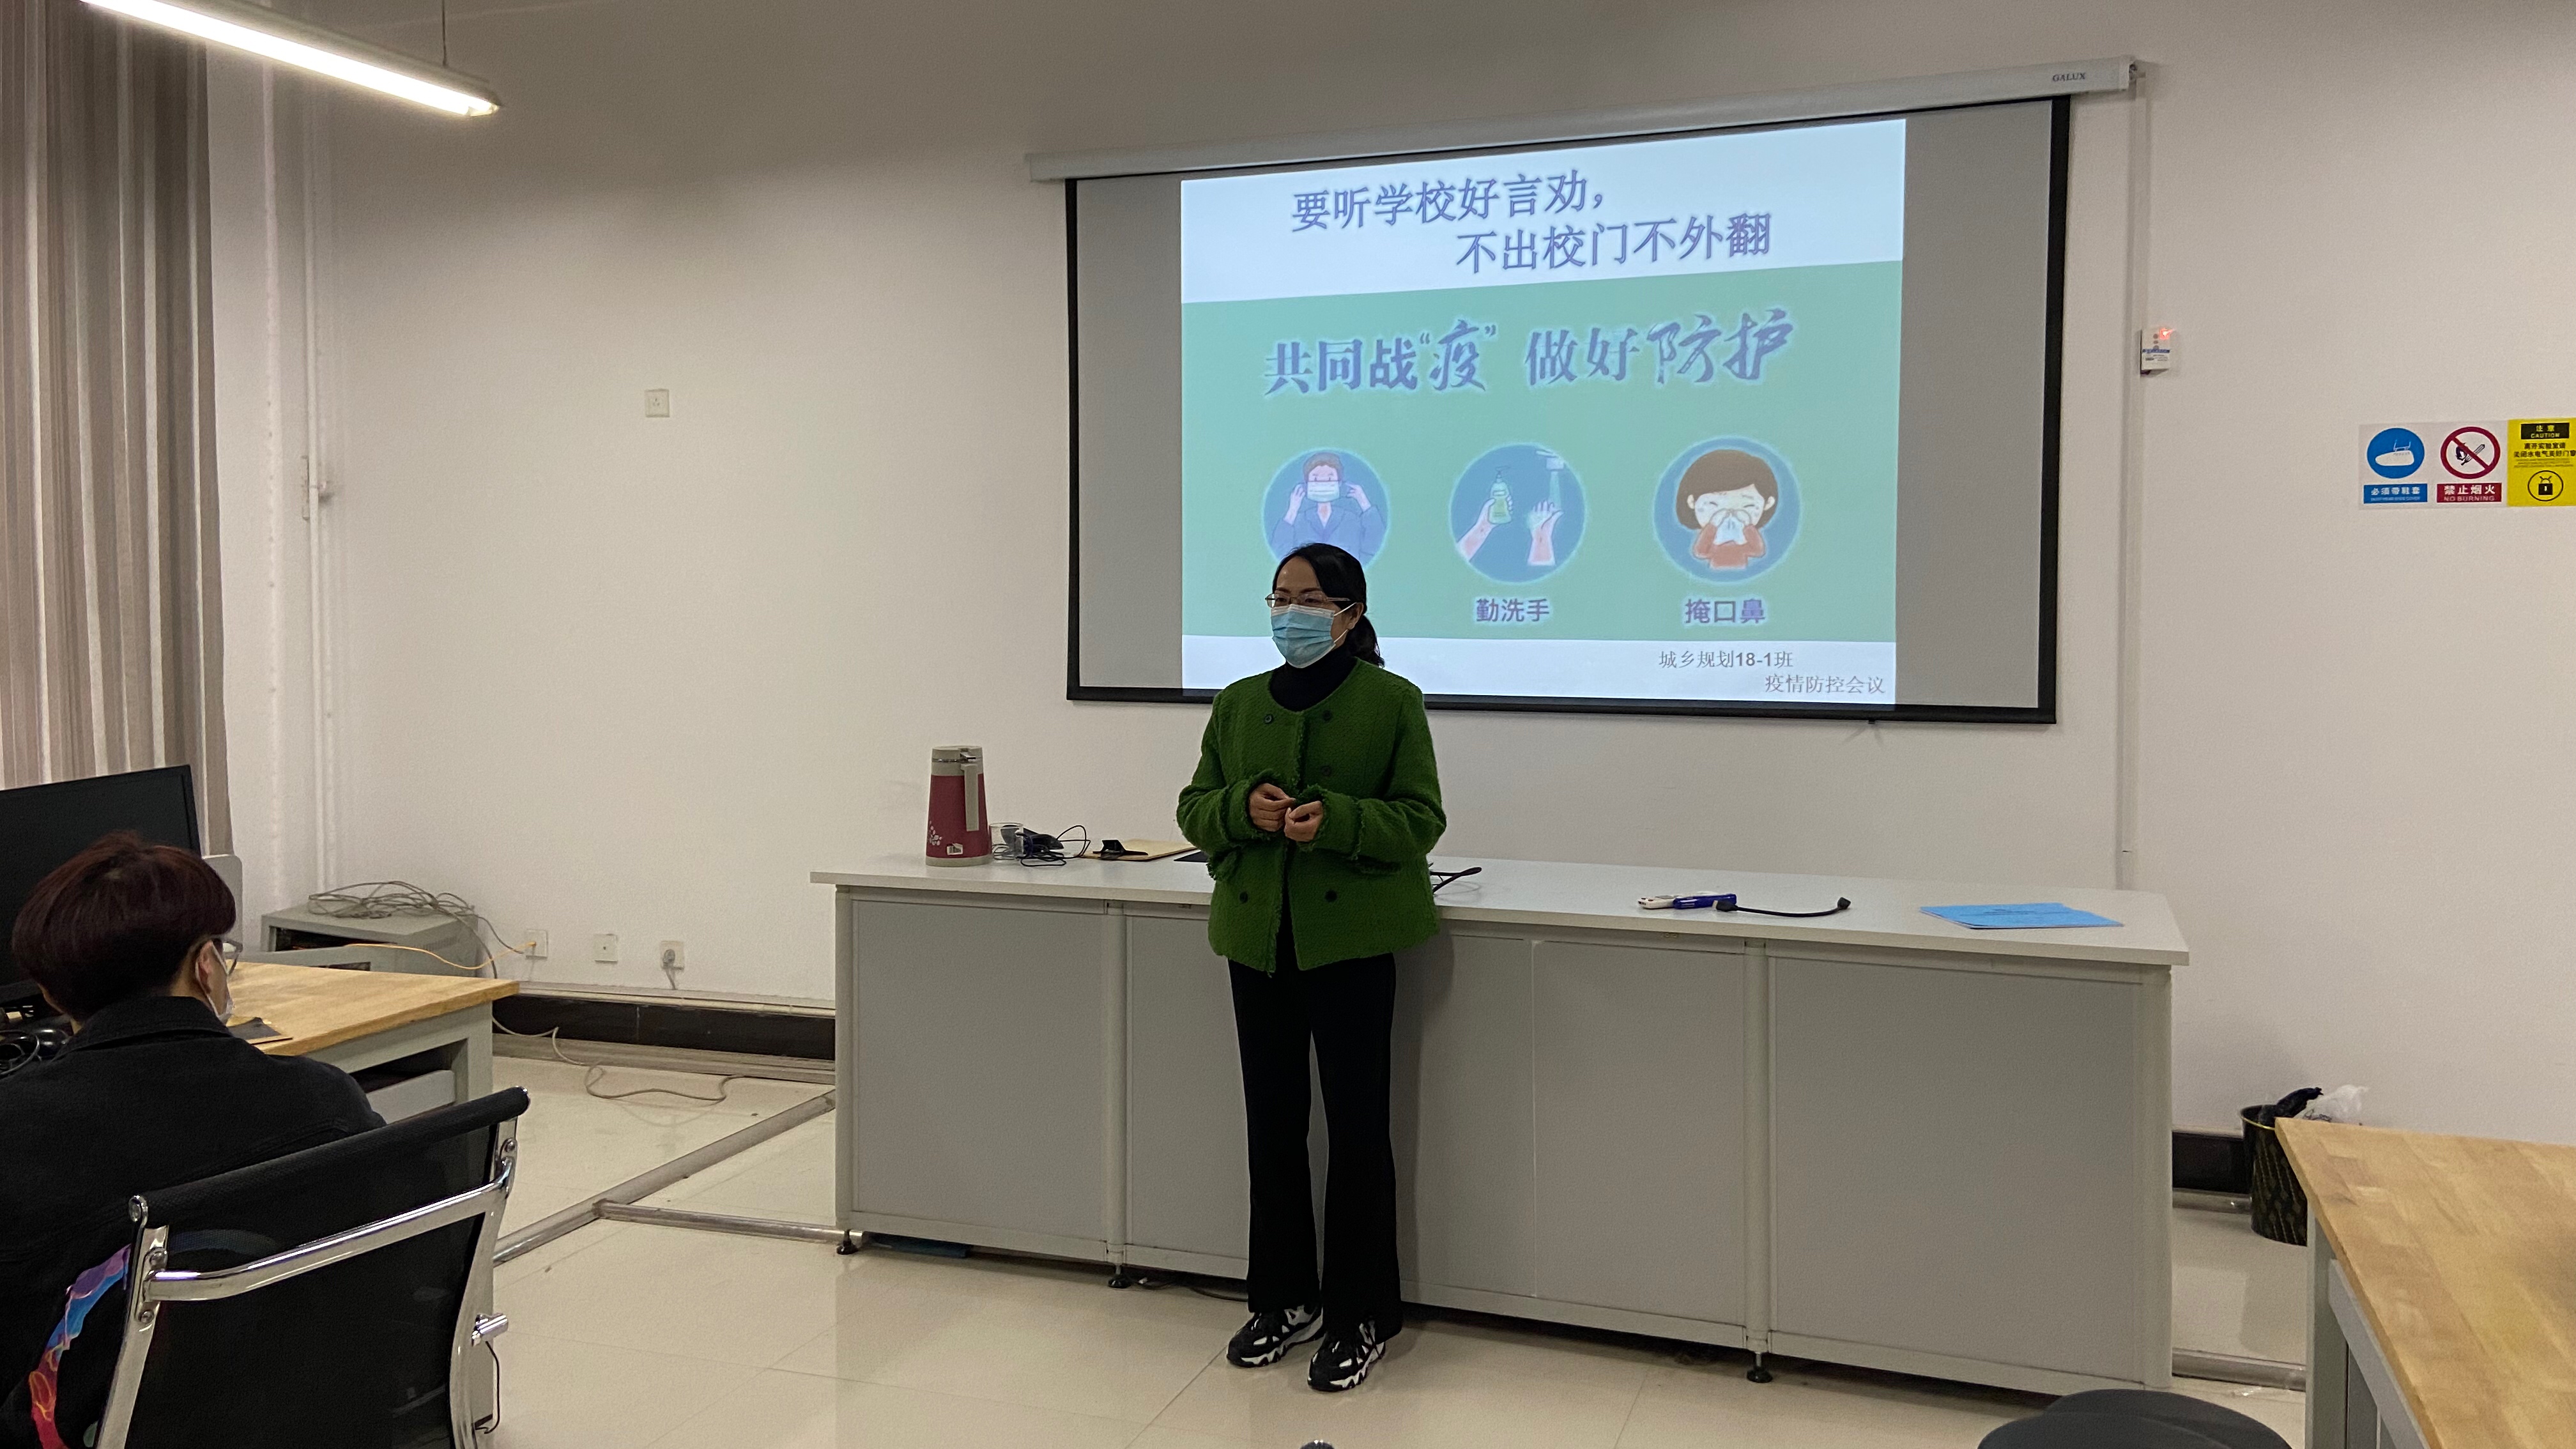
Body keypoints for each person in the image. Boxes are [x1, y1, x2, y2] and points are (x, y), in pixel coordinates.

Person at [1175, 542, 1445, 1392]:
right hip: (1258, 942)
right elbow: (1194, 809)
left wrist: (1340, 822)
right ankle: (1282, 1297)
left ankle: (1361, 1313)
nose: (1290, 613)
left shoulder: (1392, 702)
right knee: (1273, 1125)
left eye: (1309, 599)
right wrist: (1241, 810)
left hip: (1351, 946)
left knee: (1358, 1133)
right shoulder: (1237, 703)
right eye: (1279, 597)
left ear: (1349, 614)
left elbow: (1421, 819)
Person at [0, 834, 381, 1411]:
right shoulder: (326, 1097)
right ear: (207, 966)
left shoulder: (13, 1131)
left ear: (51, 995)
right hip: (305, 1408)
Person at [1268, 453, 1388, 564]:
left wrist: (1364, 502)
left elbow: (1375, 545)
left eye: (1330, 478)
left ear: (1339, 483)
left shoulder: (1351, 519)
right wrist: (1292, 510)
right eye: (1315, 479)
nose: (1323, 483)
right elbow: (1281, 553)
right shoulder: (1299, 520)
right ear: (1306, 485)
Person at [1675, 447, 1781, 570]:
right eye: (1713, 504)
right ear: (1692, 502)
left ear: (1768, 504)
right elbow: (1700, 552)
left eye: (1747, 506)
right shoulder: (1714, 541)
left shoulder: (1743, 541)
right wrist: (1713, 525)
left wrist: (1748, 526)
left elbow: (1758, 551)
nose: (1730, 515)